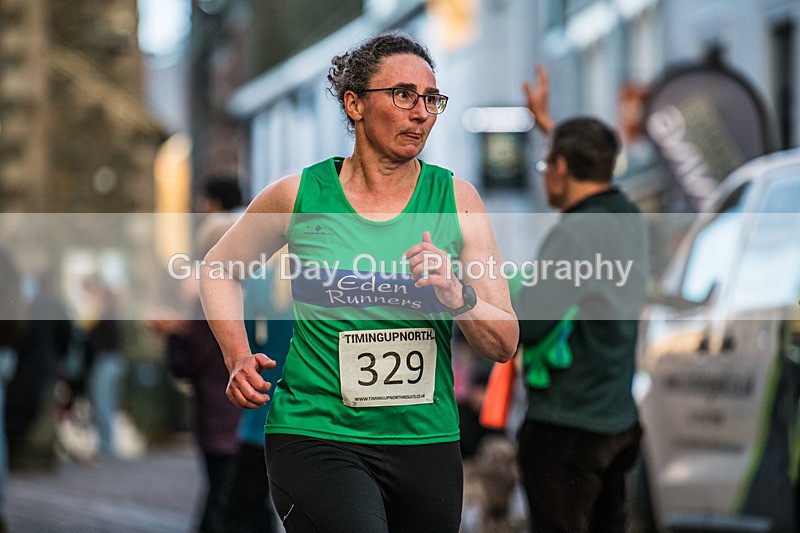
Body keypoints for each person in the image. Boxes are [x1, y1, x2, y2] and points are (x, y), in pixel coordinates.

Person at [199, 31, 518, 533]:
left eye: (431, 99)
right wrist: (237, 354)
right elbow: (218, 269)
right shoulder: (299, 195)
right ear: (354, 104)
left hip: (425, 441)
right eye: (403, 95)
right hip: (316, 434)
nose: (421, 112)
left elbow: (503, 341)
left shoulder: (457, 200)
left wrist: (456, 293)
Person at [513, 66, 649, 533]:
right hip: (617, 423)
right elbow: (595, 168)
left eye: (548, 163)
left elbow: (524, 325)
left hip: (567, 430)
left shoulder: (574, 235)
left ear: (563, 168)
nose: (545, 173)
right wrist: (549, 128)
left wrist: (464, 297)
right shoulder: (628, 216)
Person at [149, 176, 246, 533]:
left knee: (227, 499)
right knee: (236, 499)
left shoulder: (208, 278)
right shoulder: (256, 261)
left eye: (205, 200)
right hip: (243, 407)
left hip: (225, 405)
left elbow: (193, 356)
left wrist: (178, 332)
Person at [80, 275, 125, 460]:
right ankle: (106, 447)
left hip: (106, 361)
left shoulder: (102, 314)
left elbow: (91, 340)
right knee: (106, 404)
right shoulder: (107, 313)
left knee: (103, 404)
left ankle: (106, 449)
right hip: (111, 361)